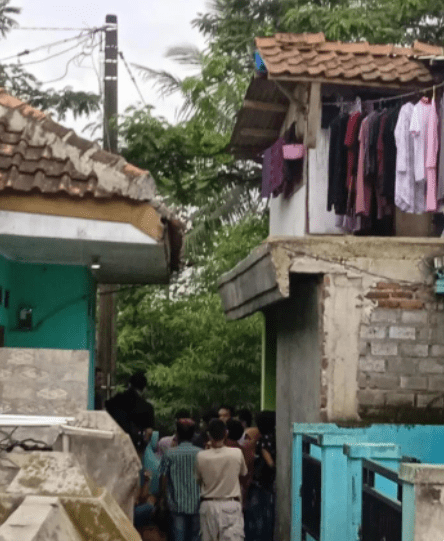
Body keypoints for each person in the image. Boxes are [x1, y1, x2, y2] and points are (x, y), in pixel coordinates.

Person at [196, 419, 247, 541]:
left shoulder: (201, 456)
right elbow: (243, 473)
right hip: (230, 505)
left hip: (208, 505)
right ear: (226, 433)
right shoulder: (236, 453)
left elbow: (198, 479)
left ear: (209, 435)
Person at [159, 418, 201, 541]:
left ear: (177, 434)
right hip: (197, 504)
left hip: (176, 505)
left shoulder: (169, 454)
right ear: (193, 435)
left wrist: (163, 498)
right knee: (195, 537)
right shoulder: (201, 453)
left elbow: (163, 477)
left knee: (178, 538)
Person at [244, 411, 276, 541]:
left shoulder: (264, 440)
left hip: (261, 482)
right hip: (269, 483)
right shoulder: (275, 436)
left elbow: (269, 462)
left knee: (258, 515)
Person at [105, 371, 155, 452]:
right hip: (135, 446)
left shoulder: (117, 400)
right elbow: (149, 432)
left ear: (129, 384)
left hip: (115, 443)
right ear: (144, 388)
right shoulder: (147, 407)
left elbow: (105, 412)